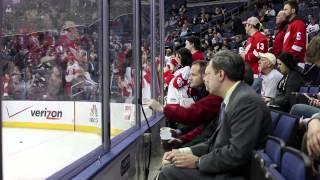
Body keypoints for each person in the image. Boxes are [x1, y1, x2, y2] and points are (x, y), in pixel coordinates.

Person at [158, 50, 272, 180]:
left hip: (234, 173)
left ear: (221, 75)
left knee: (167, 173)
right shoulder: (232, 98)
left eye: (207, 74)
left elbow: (237, 154)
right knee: (171, 166)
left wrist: (197, 162)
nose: (205, 78)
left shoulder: (246, 101)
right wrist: (183, 152)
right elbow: (213, 143)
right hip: (224, 167)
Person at [148, 61, 222, 146]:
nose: (189, 78)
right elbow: (203, 126)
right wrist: (181, 135)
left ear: (221, 75)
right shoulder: (197, 91)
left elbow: (193, 114)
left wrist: (162, 108)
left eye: (193, 75)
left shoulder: (216, 96)